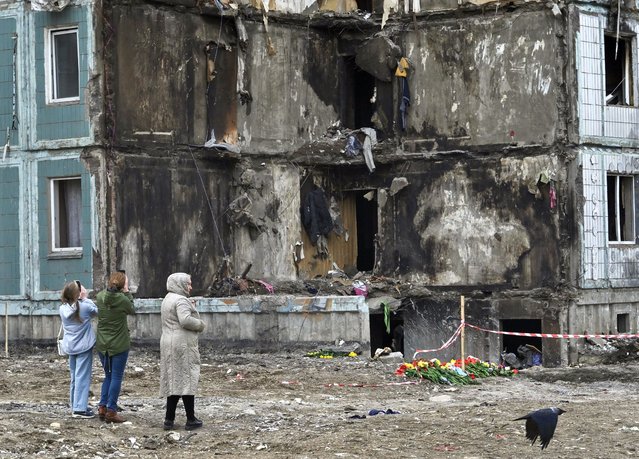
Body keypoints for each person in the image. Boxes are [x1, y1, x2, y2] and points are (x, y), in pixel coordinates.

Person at [159, 272, 206, 431]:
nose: (190, 287)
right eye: (188, 283)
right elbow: (185, 320)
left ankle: (169, 419)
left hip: (168, 342)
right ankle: (191, 419)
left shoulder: (168, 298)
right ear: (180, 284)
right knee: (187, 380)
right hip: (181, 345)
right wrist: (200, 324)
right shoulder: (180, 300)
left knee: (174, 380)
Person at [95, 271, 135, 423]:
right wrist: (127, 292)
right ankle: (111, 411)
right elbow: (132, 309)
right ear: (122, 284)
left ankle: (102, 407)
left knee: (108, 376)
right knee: (116, 377)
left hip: (102, 343)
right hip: (118, 343)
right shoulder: (122, 299)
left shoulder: (100, 297)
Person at [59, 280, 98, 419]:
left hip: (70, 346)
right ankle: (80, 409)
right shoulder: (85, 307)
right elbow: (96, 311)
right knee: (82, 377)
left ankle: (75, 405)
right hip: (83, 346)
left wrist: (79, 298)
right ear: (78, 294)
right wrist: (85, 298)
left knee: (74, 377)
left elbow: (73, 306)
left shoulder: (63, 308)